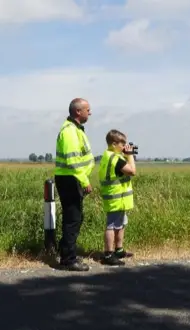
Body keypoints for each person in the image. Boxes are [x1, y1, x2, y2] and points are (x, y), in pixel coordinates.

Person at [53, 98, 95, 271]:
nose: (90, 113)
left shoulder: (75, 129)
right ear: (78, 111)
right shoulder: (70, 131)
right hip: (71, 178)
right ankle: (68, 259)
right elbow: (73, 160)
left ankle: (66, 252)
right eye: (87, 109)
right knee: (73, 219)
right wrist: (84, 181)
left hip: (72, 178)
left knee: (75, 218)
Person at [97, 129, 136, 266]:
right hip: (115, 197)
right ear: (114, 144)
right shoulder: (115, 158)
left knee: (120, 224)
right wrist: (130, 155)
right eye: (122, 143)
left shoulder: (109, 156)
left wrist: (125, 155)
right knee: (112, 225)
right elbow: (132, 171)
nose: (124, 146)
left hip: (119, 198)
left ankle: (118, 250)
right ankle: (108, 254)